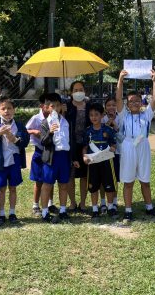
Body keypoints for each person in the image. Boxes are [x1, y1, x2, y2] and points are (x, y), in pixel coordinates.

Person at [116, 69, 155, 223]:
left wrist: (154, 81)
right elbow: (118, 99)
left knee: (145, 180)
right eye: (131, 101)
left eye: (137, 100)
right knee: (128, 181)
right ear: (127, 104)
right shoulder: (123, 115)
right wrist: (120, 80)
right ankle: (128, 210)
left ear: (141, 102)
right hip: (128, 146)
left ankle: (149, 206)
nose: (134, 103)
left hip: (143, 146)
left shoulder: (146, 115)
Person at [0, 96, 30, 225]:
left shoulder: (19, 125)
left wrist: (15, 139)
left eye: (9, 108)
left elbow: (25, 142)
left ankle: (12, 213)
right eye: (3, 108)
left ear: (14, 110)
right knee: (1, 188)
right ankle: (1, 214)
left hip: (14, 160)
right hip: (0, 161)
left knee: (12, 188)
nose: (6, 111)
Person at [83, 103, 118, 219]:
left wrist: (113, 148)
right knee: (93, 187)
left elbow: (114, 144)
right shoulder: (87, 131)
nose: (94, 117)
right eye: (91, 115)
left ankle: (110, 208)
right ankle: (94, 209)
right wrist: (84, 157)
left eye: (96, 115)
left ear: (102, 115)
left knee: (109, 185)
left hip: (107, 162)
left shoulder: (108, 129)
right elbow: (84, 147)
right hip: (93, 163)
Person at [40, 93, 71, 223]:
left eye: (58, 105)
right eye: (52, 106)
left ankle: (63, 210)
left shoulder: (65, 121)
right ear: (47, 107)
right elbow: (43, 141)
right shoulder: (45, 123)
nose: (56, 108)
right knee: (47, 185)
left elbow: (69, 140)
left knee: (63, 184)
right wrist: (50, 132)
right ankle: (44, 212)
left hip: (64, 156)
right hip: (51, 158)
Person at [26, 94, 57, 217]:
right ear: (42, 106)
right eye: (48, 105)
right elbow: (25, 130)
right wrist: (34, 131)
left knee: (50, 179)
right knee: (39, 180)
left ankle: (50, 203)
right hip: (39, 151)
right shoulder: (36, 118)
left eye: (53, 105)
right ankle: (35, 205)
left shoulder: (55, 117)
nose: (51, 107)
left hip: (51, 151)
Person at [65, 80, 91, 212]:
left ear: (84, 91)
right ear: (71, 92)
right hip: (70, 145)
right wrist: (63, 112)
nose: (78, 92)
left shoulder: (89, 106)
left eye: (81, 89)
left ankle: (83, 202)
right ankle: (72, 202)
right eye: (75, 90)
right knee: (70, 175)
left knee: (84, 175)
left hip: (86, 145)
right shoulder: (66, 106)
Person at [100, 97, 121, 211]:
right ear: (105, 107)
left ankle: (114, 201)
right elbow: (101, 135)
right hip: (104, 153)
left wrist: (115, 124)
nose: (111, 107)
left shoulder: (121, 118)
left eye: (113, 105)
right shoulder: (102, 119)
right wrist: (108, 125)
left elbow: (121, 135)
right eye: (108, 105)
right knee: (103, 178)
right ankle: (103, 202)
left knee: (114, 178)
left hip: (116, 152)